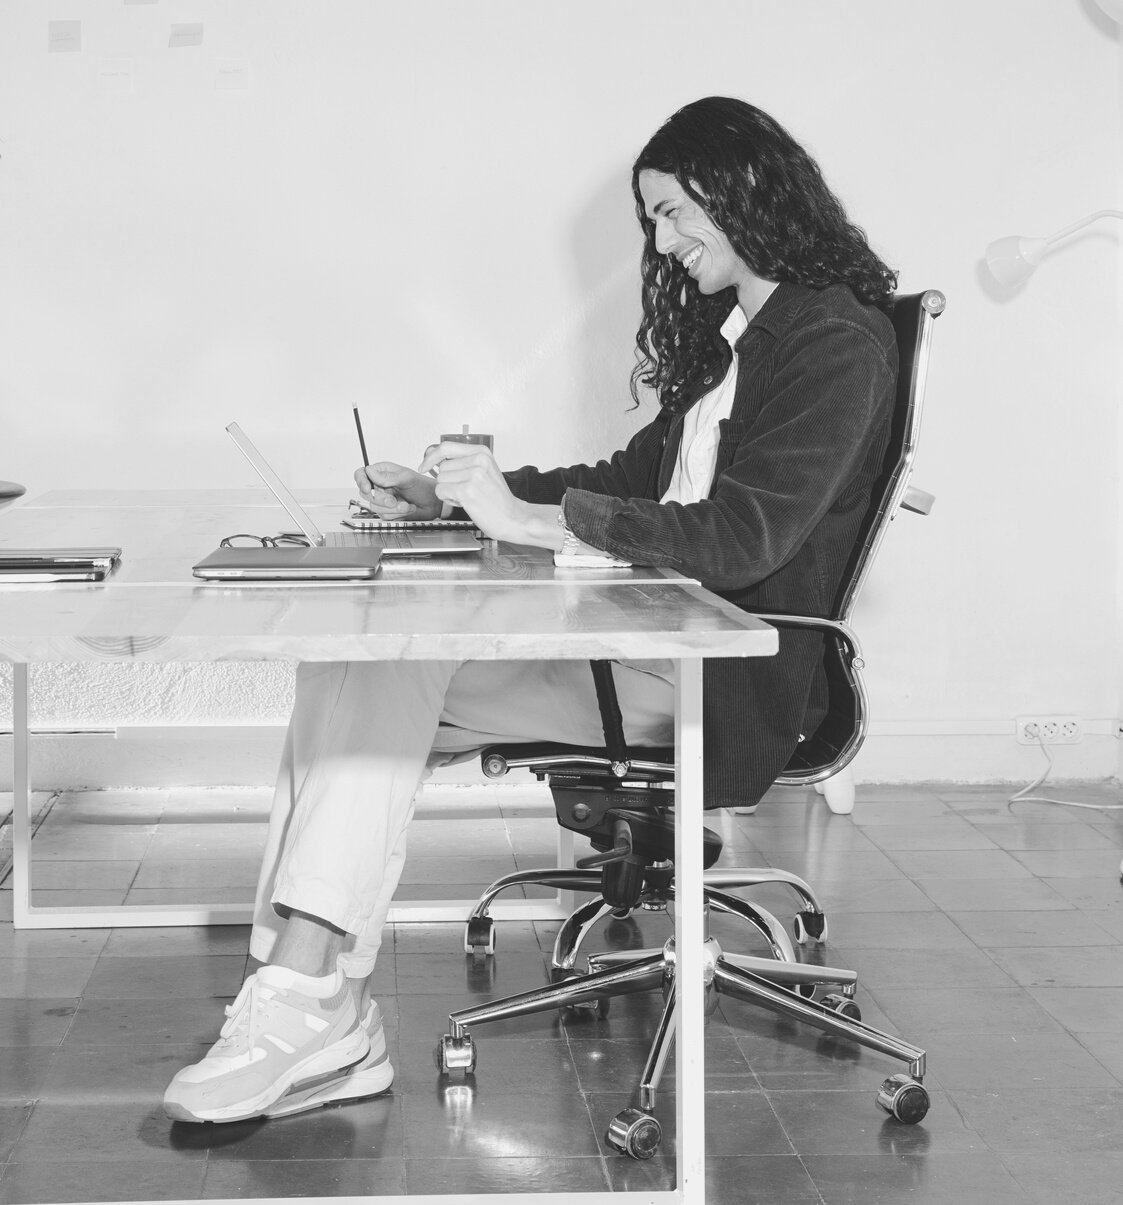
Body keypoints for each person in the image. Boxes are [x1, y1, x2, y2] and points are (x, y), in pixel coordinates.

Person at [163, 95, 898, 1124]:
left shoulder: (833, 340)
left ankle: (307, 1002)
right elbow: (626, 479)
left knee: (386, 665)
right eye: (653, 220)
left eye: (679, 212)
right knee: (355, 661)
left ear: (750, 190)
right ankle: (302, 989)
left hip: (722, 673)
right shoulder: (749, 340)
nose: (666, 241)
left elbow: (745, 536)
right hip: (651, 640)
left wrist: (523, 516)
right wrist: (468, 497)